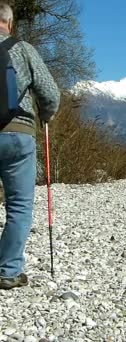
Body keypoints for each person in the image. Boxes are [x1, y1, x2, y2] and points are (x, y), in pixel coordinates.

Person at [0, 2, 60, 290]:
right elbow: (50, 93)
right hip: (19, 134)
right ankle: (9, 271)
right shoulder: (22, 49)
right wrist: (45, 114)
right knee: (19, 206)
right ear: (9, 23)